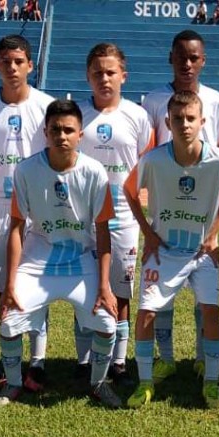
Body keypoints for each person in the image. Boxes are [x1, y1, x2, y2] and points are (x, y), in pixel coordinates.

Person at [0, 99, 120, 407]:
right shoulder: (25, 170)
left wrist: (105, 286)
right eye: (55, 130)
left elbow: (103, 232)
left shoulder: (94, 173)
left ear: (80, 134)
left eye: (68, 130)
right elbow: (15, 228)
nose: (61, 136)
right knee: (9, 321)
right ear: (45, 132)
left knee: (106, 322)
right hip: (38, 260)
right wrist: (9, 285)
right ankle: (12, 385)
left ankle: (98, 383)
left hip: (80, 261)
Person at [124, 91, 219, 408]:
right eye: (178, 119)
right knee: (145, 313)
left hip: (200, 253)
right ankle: (145, 383)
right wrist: (148, 233)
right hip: (164, 251)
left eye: (191, 118)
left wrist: (213, 235)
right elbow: (130, 192)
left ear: (202, 121)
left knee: (211, 310)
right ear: (167, 122)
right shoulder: (154, 159)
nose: (184, 124)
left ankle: (211, 381)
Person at [142, 29, 219, 383]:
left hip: (202, 217)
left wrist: (215, 231)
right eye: (181, 57)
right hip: (166, 211)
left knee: (204, 294)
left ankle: (200, 358)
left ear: (203, 61)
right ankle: (164, 358)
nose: (188, 64)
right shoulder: (152, 100)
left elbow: (217, 164)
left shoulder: (218, 101)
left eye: (194, 58)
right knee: (160, 294)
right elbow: (150, 154)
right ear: (171, 59)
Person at [0, 35, 55, 393]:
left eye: (19, 61)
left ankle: (38, 361)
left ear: (30, 65)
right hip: (2, 213)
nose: (12, 68)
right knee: (6, 285)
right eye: (5, 61)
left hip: (39, 210)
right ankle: (11, 360)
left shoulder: (47, 106)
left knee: (37, 283)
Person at [76, 43, 154, 385]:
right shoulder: (77, 116)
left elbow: (143, 168)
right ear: (87, 77)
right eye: (97, 73)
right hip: (82, 217)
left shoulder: (138, 117)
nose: (104, 78)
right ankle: (84, 360)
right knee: (84, 287)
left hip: (123, 216)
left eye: (110, 72)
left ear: (123, 75)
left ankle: (119, 362)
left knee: (121, 289)